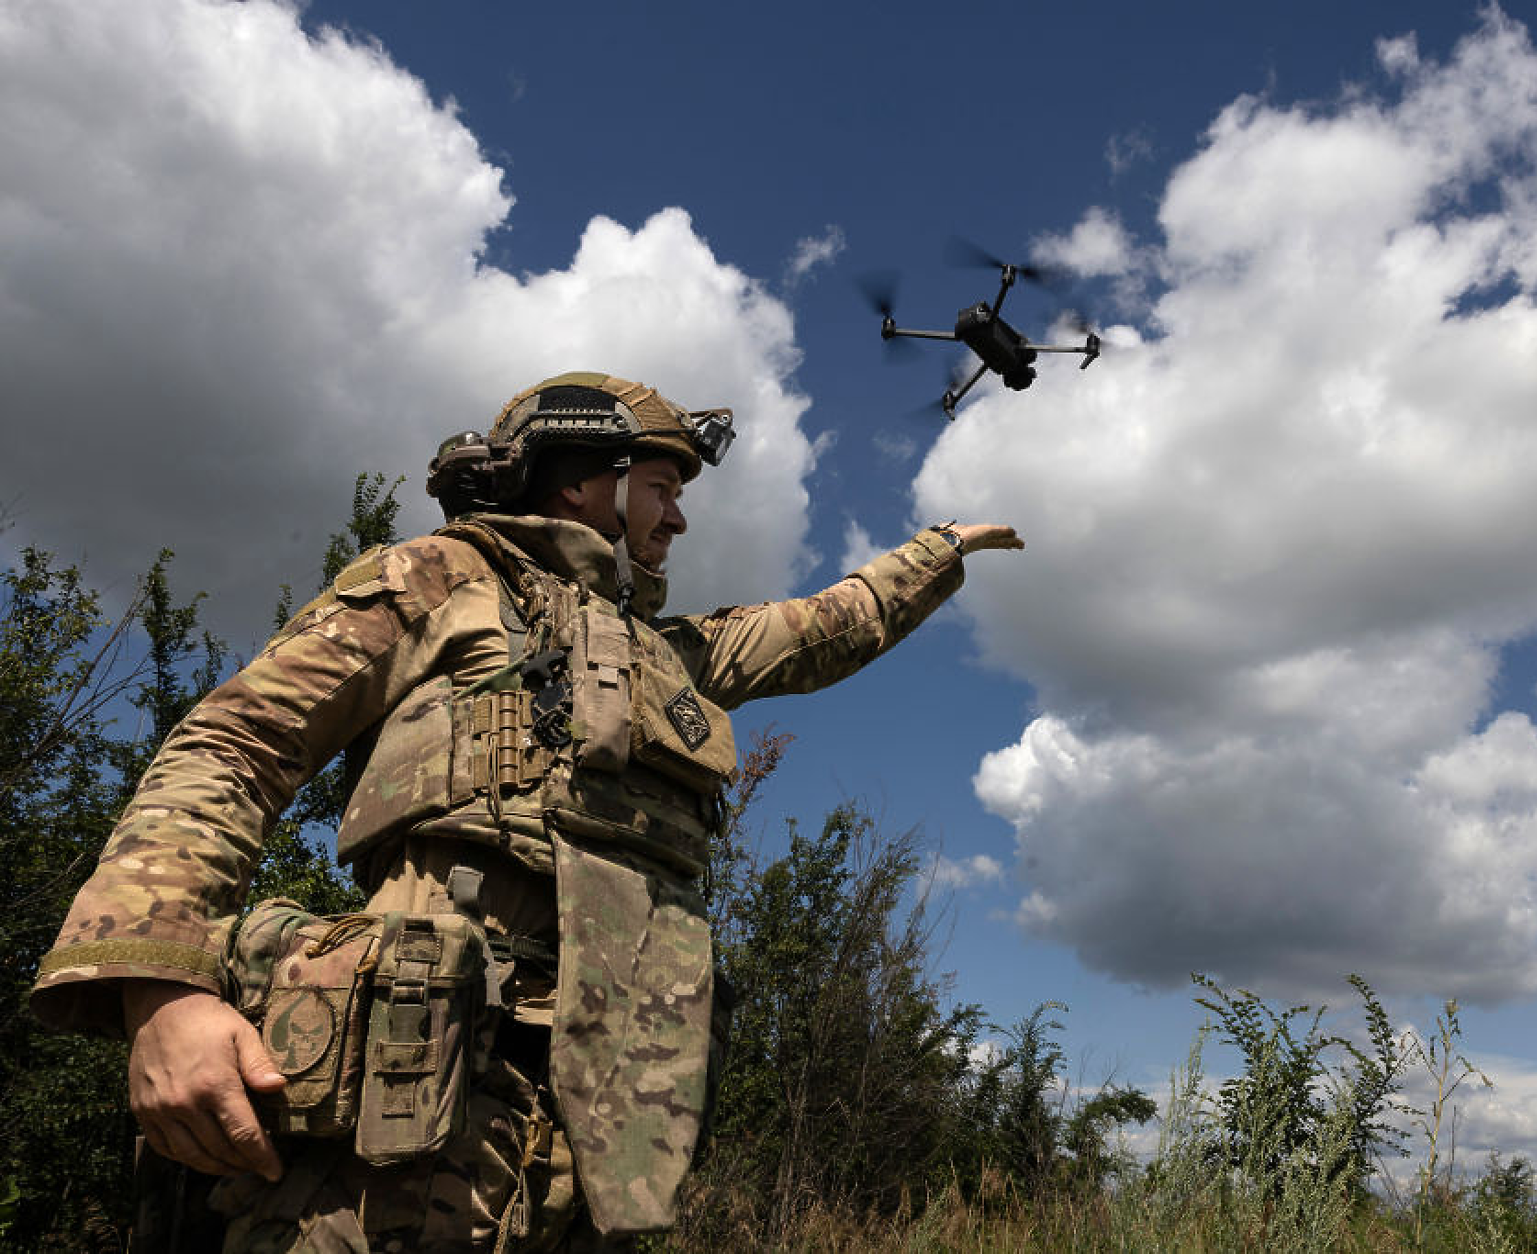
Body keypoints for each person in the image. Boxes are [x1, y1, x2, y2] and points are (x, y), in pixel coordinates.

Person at [31, 372, 1022, 1251]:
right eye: (664, 489)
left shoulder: (674, 656)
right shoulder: (439, 579)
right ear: (584, 477)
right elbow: (236, 745)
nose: (676, 521)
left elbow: (822, 627)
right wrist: (160, 989)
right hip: (410, 1098)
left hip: (606, 1117)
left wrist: (939, 549)